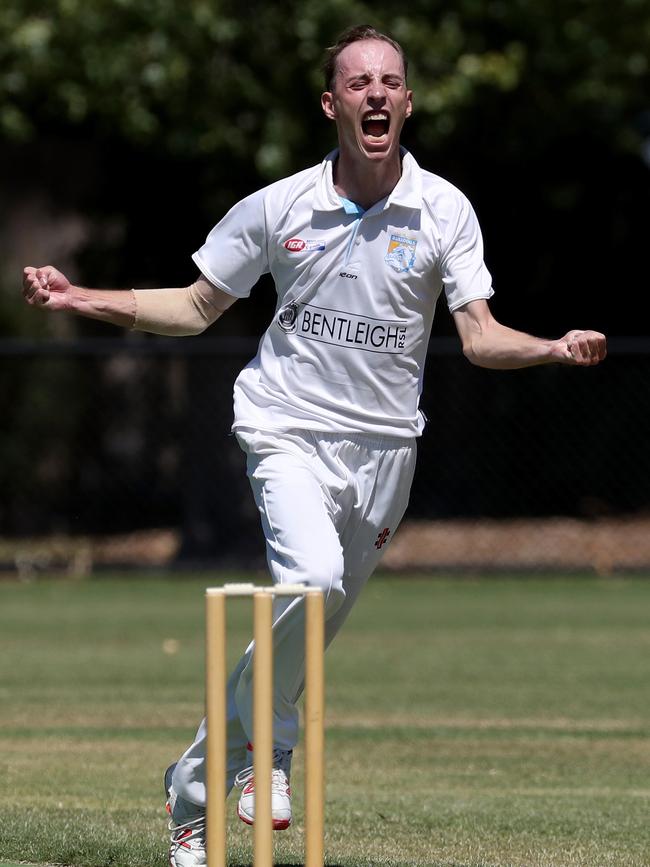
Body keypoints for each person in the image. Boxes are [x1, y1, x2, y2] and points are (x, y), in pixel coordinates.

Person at [22, 24, 606, 867]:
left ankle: (190, 788)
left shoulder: (445, 210)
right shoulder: (280, 205)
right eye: (359, 81)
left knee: (300, 632)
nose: (376, 93)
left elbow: (478, 337)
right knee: (310, 581)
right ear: (332, 104)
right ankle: (270, 755)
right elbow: (194, 306)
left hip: (386, 456)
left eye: (391, 81)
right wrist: (80, 298)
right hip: (285, 426)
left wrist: (551, 347)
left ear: (407, 102)